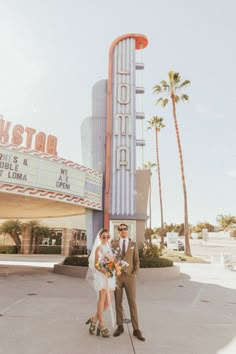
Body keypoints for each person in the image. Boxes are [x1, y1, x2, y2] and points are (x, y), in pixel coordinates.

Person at [112, 223, 145, 341]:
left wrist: (135, 273)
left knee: (132, 301)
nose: (123, 231)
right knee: (118, 302)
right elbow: (112, 260)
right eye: (120, 229)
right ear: (118, 231)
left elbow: (137, 260)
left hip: (130, 277)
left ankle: (136, 329)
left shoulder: (133, 244)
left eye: (125, 229)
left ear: (127, 230)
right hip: (118, 277)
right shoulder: (114, 244)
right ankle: (120, 326)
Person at [86, 228, 116, 338]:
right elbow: (96, 265)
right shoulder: (99, 248)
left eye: (108, 236)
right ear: (100, 237)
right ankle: (101, 325)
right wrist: (104, 271)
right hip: (102, 276)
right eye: (104, 237)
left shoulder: (109, 248)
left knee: (108, 302)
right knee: (102, 299)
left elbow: (112, 261)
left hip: (110, 277)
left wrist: (115, 267)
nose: (106, 238)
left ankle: (94, 320)